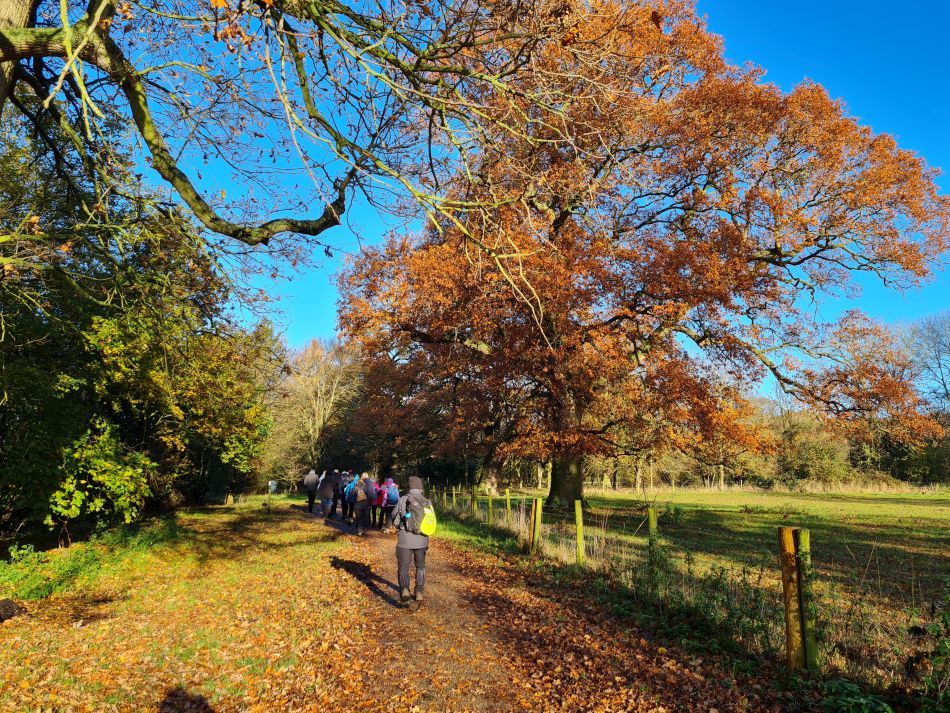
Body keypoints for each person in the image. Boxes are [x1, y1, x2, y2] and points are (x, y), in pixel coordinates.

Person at [390, 476, 431, 605]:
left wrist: (399, 526)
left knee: (403, 567)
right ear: (420, 487)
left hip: (405, 540)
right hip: (422, 540)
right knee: (421, 567)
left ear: (410, 487)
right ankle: (419, 591)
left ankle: (404, 589)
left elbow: (394, 516)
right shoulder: (427, 501)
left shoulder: (403, 499)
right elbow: (432, 521)